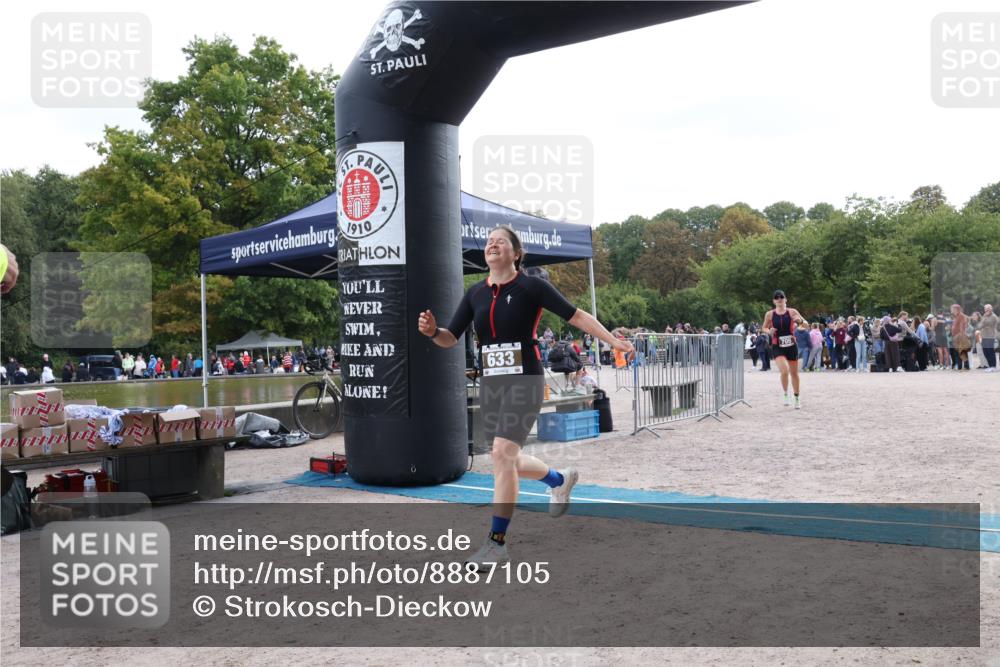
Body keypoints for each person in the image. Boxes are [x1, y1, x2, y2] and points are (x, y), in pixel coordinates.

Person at [417, 226, 634, 570]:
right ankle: (559, 480)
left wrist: (614, 341)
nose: (492, 244)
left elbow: (577, 316)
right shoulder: (475, 293)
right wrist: (433, 332)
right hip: (493, 385)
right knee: (507, 459)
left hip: (525, 381)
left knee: (502, 455)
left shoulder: (532, 287)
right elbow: (450, 338)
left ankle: (496, 543)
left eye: (500, 241)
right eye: (489, 241)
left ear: (516, 253)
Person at [761, 289, 807, 408]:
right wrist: (769, 331)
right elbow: (764, 328)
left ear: (785, 299)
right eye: (776, 297)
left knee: (794, 373)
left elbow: (806, 324)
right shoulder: (770, 314)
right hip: (778, 345)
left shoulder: (792, 312)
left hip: (791, 345)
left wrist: (800, 321)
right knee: (784, 370)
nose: (779, 299)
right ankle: (786, 394)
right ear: (774, 301)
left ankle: (796, 398)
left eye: (781, 297)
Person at [977, 304, 998, 372]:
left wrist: (984, 323)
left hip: (990, 336)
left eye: (988, 308)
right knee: (985, 351)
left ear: (991, 309)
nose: (986, 310)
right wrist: (983, 324)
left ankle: (993, 366)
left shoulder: (993, 316)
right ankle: (990, 366)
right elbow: (980, 326)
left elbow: (989, 323)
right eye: (985, 309)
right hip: (984, 336)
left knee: (990, 351)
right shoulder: (985, 316)